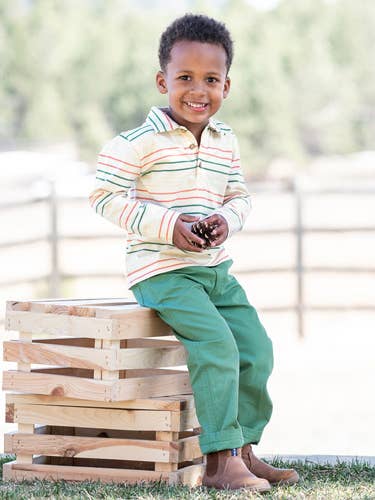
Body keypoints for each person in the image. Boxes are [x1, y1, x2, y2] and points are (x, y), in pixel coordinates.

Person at [89, 13, 299, 492]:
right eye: (185, 78)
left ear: (228, 84)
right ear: (163, 80)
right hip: (161, 270)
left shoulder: (227, 141)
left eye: (211, 79)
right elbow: (104, 196)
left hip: (213, 270)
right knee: (217, 345)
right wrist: (169, 224)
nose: (197, 90)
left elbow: (239, 195)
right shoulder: (136, 143)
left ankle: (244, 450)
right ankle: (218, 462)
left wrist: (227, 221)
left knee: (255, 350)